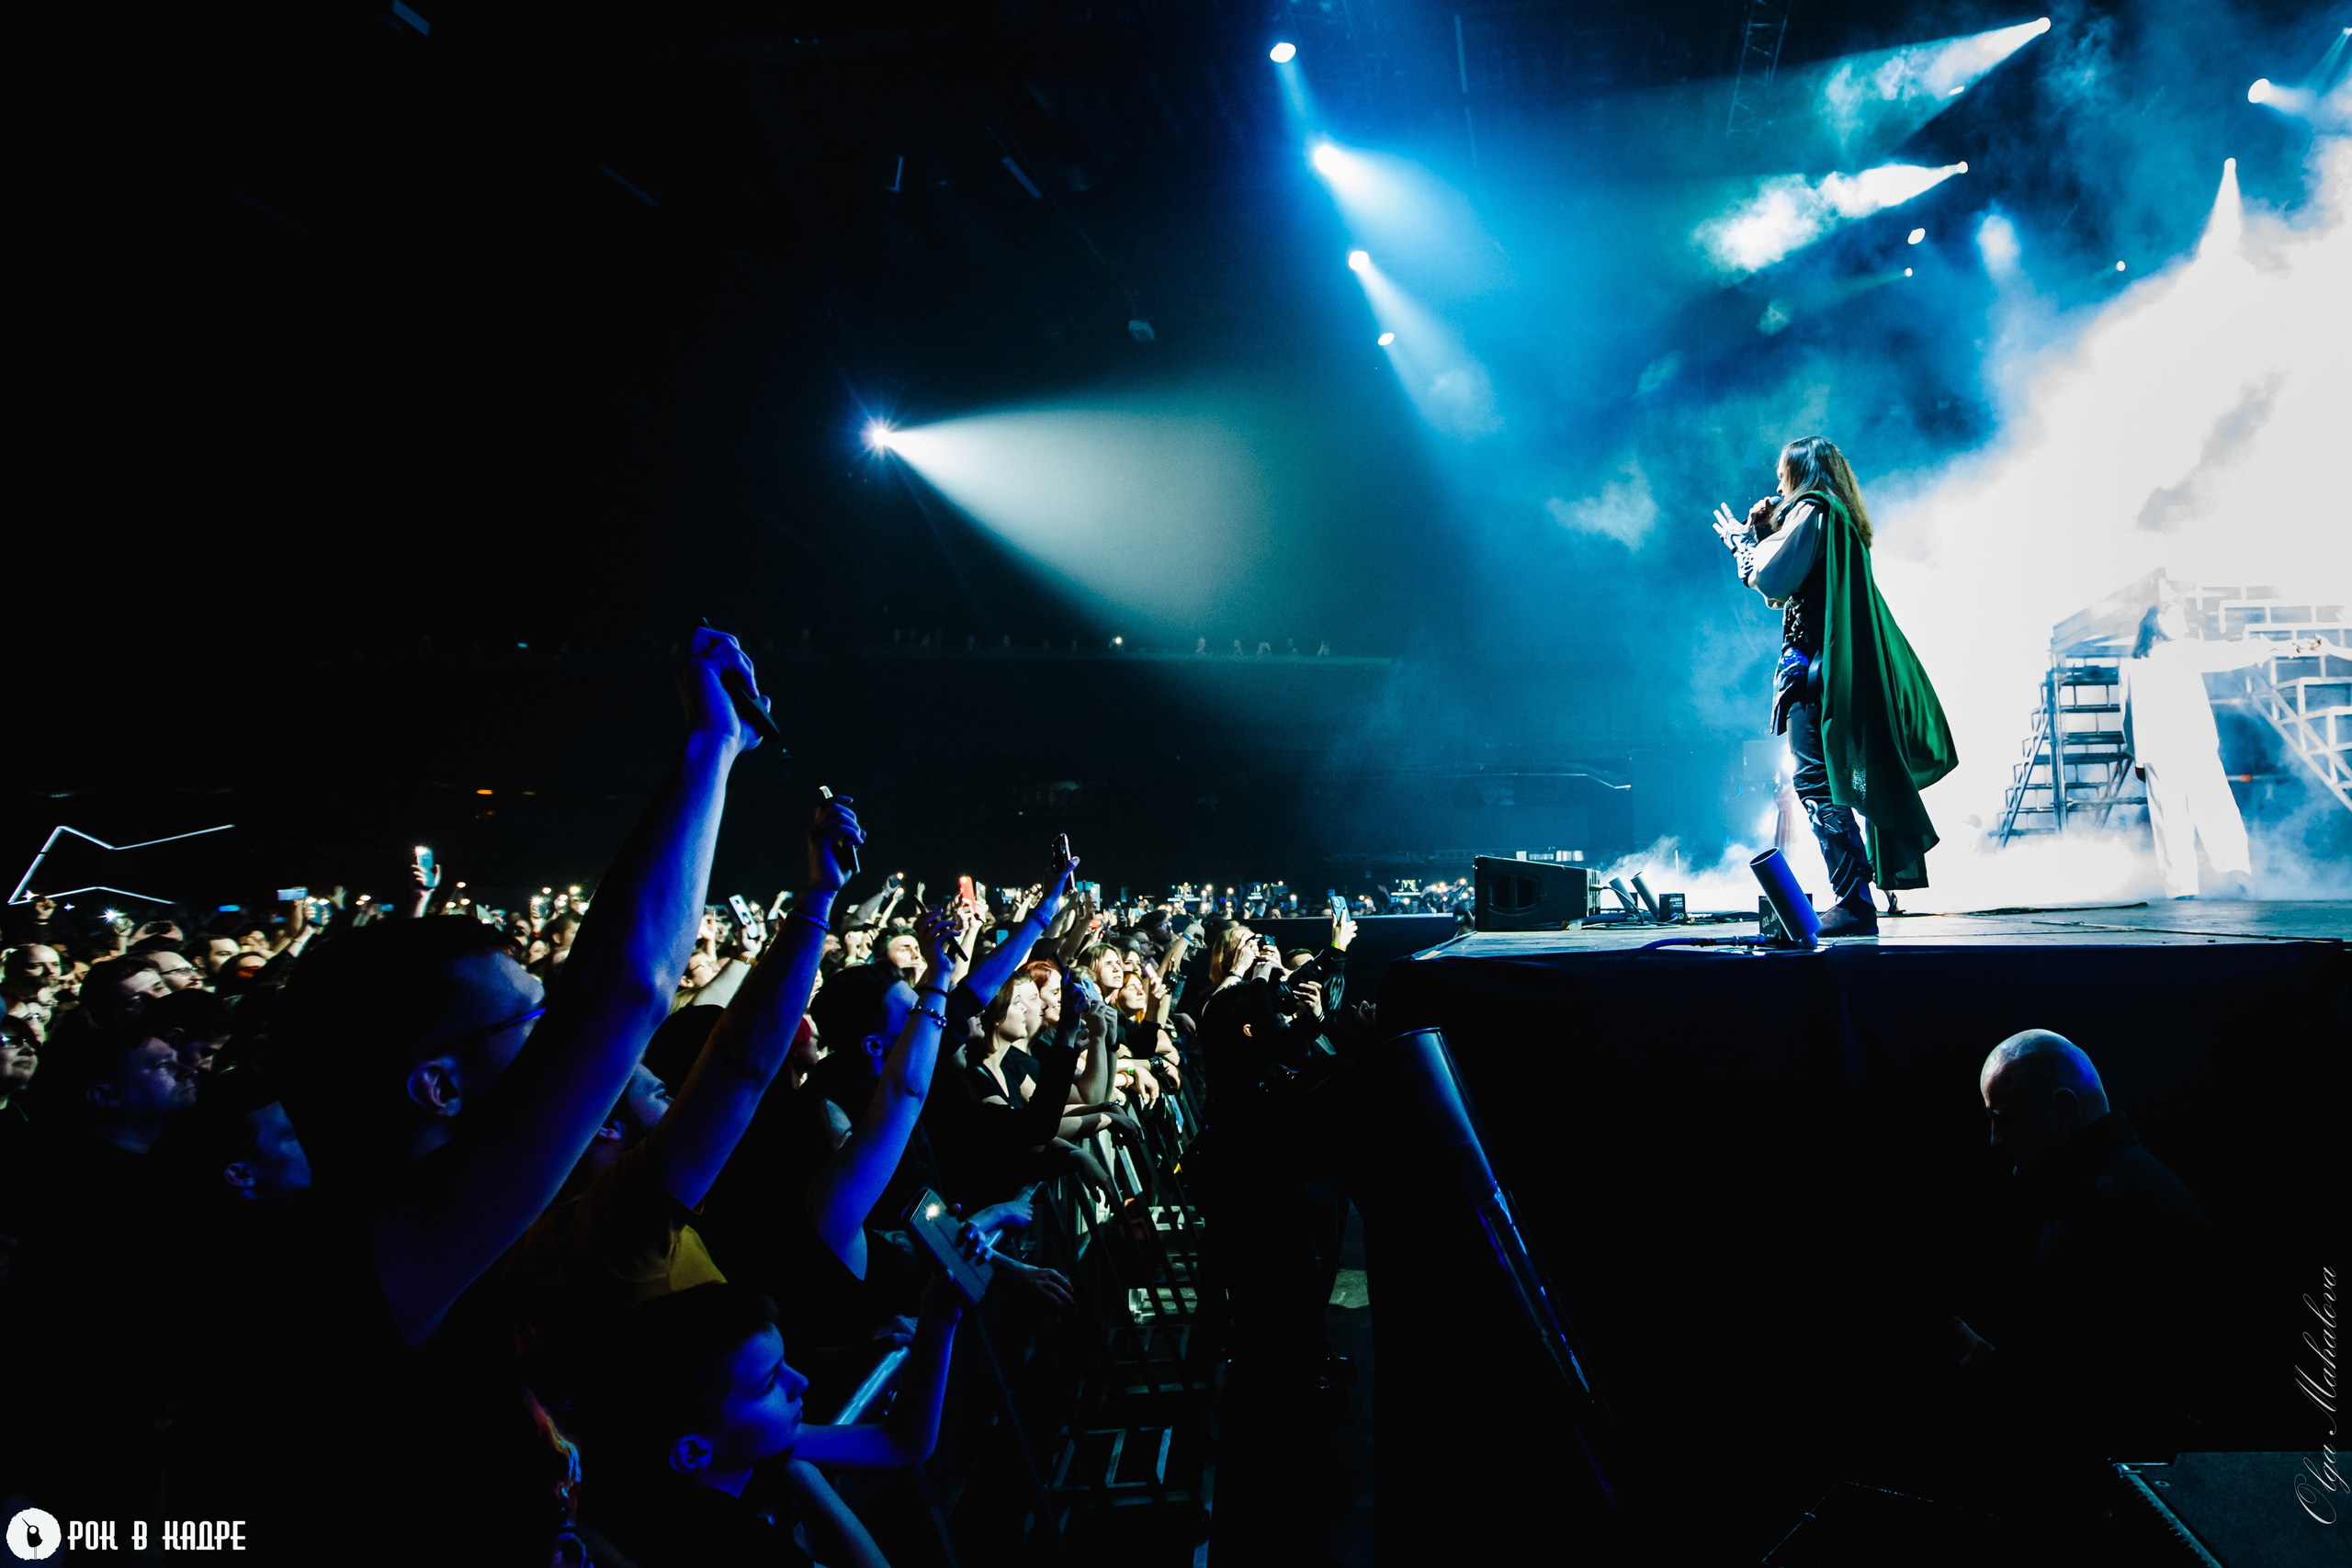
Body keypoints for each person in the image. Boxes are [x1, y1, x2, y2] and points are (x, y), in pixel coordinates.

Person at [1949, 1030, 2218, 1522]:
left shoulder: (2114, 1207)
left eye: (2003, 1121)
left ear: (2063, 1110)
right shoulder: (2116, 1190)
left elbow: (2107, 1400)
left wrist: (1992, 1370)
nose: (1995, 1142)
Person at [1713, 436, 1956, 935]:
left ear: (1800, 473)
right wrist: (1761, 534)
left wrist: (1746, 542)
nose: (1777, 484)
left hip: (1818, 674)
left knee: (1816, 780)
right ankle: (1854, 896)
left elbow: (1772, 581)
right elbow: (1787, 589)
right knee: (1833, 779)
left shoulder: (1812, 511)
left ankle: (1852, 899)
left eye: (1783, 475)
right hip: (1829, 669)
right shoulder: (1833, 517)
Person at [580, 1278, 964, 1567]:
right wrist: (811, 1481)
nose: (801, 1382)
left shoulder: (733, 1443)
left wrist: (938, 1321)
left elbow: (901, 1443)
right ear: (693, 1450)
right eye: (769, 1383)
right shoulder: (731, 1548)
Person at [2122, 601, 2321, 899]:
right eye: (2178, 619)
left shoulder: (2132, 664)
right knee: (2214, 809)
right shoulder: (2179, 652)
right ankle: (2234, 871)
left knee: (2171, 822)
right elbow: (2228, 653)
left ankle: (2182, 889)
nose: (2185, 626)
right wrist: (2279, 647)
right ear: (2159, 620)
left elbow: (2126, 715)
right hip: (2191, 746)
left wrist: (2137, 754)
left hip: (2160, 752)